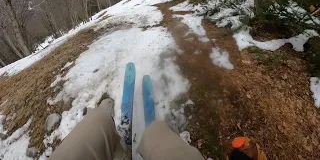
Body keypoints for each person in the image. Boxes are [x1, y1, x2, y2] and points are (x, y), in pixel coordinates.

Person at [48, 99, 267, 160]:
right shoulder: (98, 119)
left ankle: (124, 143)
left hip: (101, 129)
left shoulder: (98, 119)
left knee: (120, 145)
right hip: (103, 130)